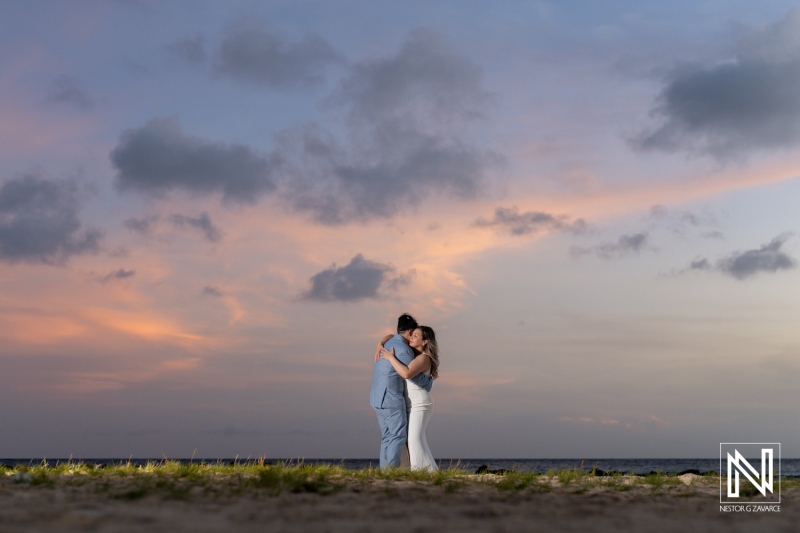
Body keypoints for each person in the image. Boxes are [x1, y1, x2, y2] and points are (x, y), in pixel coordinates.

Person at [369, 314, 432, 468]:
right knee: (397, 435)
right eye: (414, 334)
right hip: (390, 398)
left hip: (377, 397)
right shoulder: (404, 350)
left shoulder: (389, 342)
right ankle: (390, 472)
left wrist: (380, 342)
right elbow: (410, 375)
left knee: (388, 437)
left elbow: (389, 335)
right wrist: (429, 382)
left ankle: (385, 473)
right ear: (410, 332)